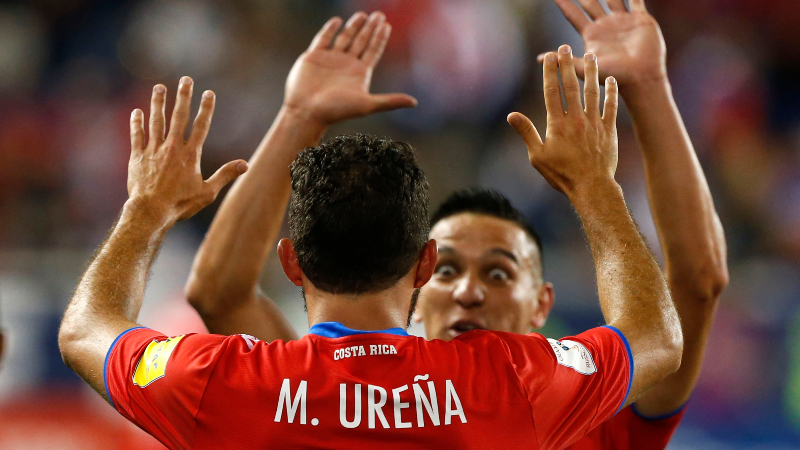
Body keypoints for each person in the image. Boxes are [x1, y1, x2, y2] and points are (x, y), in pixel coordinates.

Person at [58, 15, 683, 450]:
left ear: (291, 263)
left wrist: (145, 210)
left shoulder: (224, 384)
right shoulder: (504, 381)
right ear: (423, 262)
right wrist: (595, 186)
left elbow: (86, 331)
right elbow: (654, 337)